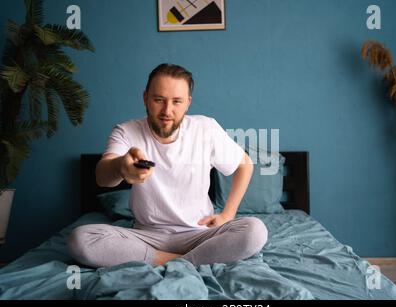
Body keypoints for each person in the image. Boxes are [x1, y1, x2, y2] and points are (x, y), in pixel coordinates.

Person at [67, 63, 268, 267]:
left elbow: (245, 164)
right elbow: (102, 177)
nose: (167, 111)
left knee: (255, 231)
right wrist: (121, 167)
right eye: (159, 100)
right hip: (146, 236)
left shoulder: (205, 128)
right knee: (80, 239)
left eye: (176, 101)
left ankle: (166, 260)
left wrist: (227, 215)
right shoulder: (126, 131)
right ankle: (188, 261)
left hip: (199, 234)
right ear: (145, 97)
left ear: (188, 103)